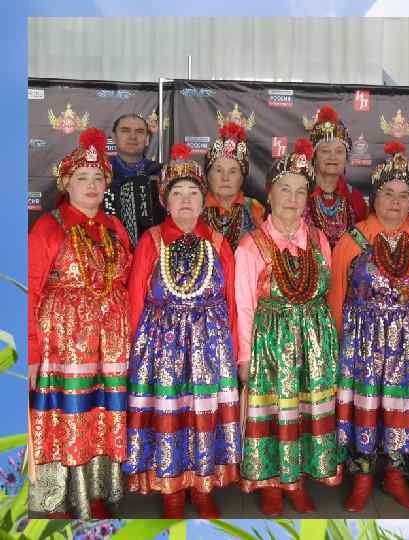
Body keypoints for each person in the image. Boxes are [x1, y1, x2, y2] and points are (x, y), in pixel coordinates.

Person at [124, 143, 242, 519]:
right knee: (170, 412)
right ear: (166, 201)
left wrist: (235, 353)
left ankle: (203, 486)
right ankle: (172, 490)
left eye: (193, 193)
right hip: (163, 347)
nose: (186, 201)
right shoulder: (151, 241)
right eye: (178, 194)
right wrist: (134, 353)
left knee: (203, 411)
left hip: (210, 346)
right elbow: (135, 299)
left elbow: (232, 302)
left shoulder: (219, 243)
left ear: (204, 200)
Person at [28, 128, 132, 519]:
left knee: (102, 411)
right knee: (67, 413)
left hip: (110, 344)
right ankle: (60, 496)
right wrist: (32, 352)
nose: (91, 185)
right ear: (66, 183)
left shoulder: (115, 227)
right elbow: (30, 291)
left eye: (98, 178)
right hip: (64, 342)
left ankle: (98, 491)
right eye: (82, 177)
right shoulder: (49, 226)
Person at [329, 141, 409, 512]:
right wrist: (339, 344)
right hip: (361, 340)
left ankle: (395, 475)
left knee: (399, 407)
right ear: (374, 197)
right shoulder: (353, 239)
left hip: (406, 341)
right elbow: (337, 297)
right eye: (388, 193)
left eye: (404, 196)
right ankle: (361, 477)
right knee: (364, 406)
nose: (395, 202)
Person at [235, 139, 341, 516]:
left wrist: (328, 345)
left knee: (305, 411)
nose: (292, 199)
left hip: (314, 340)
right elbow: (244, 305)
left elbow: (327, 294)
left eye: (300, 191)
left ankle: (297, 481)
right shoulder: (252, 244)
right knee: (275, 410)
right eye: (285, 189)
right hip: (271, 342)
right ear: (269, 193)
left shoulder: (318, 239)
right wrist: (245, 358)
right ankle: (272, 483)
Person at [304, 105, 369, 248]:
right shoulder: (301, 194)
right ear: (314, 156)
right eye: (325, 151)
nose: (332, 157)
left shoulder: (355, 198)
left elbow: (364, 245)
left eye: (339, 151)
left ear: (346, 158)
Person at [104, 113, 164, 247]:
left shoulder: (161, 174)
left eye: (140, 131)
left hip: (154, 250)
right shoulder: (101, 173)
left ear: (147, 139)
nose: (132, 136)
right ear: (113, 137)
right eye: (125, 131)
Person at [203, 122, 265, 251]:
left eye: (233, 171)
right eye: (218, 170)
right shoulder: (195, 208)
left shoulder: (255, 209)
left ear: (242, 177)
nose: (225, 178)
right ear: (208, 175)